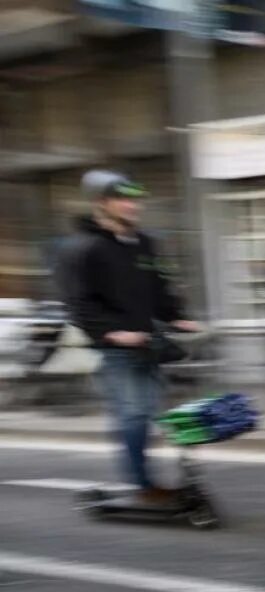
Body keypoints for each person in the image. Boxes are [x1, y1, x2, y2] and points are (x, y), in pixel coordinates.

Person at [58, 169, 200, 503]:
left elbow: (159, 288)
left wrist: (177, 317)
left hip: (149, 343)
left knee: (150, 412)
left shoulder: (144, 243)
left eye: (135, 199)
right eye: (122, 199)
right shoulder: (83, 249)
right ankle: (141, 484)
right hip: (119, 348)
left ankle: (145, 479)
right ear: (101, 204)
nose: (132, 205)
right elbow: (77, 304)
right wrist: (111, 333)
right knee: (134, 413)